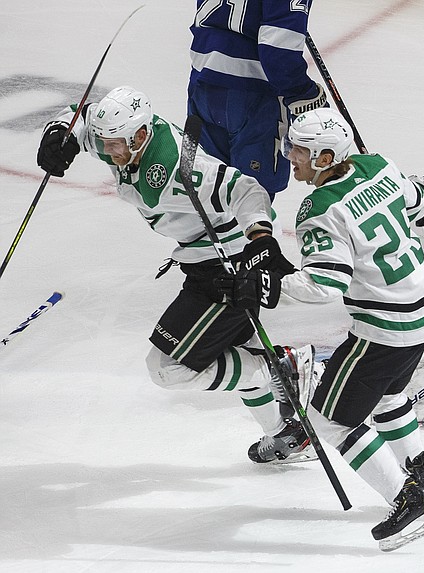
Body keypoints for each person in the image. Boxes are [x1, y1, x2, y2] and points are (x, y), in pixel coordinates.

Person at [35, 85, 312, 464]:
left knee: (167, 368)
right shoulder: (121, 135)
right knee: (238, 351)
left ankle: (280, 366)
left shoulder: (181, 171)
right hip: (199, 260)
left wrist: (260, 239)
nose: (109, 152)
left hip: (225, 266)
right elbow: (78, 115)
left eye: (116, 144)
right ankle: (285, 433)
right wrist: (57, 135)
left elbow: (246, 190)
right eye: (105, 143)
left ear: (142, 135)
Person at [255, 107, 424, 547]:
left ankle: (410, 500)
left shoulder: (319, 207)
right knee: (389, 396)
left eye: (301, 151)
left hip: (386, 326)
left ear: (326, 158)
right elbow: (418, 199)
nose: (292, 157)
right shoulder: (378, 164)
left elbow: (325, 284)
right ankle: (418, 475)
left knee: (328, 422)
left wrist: (269, 287)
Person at [188, 0, 327, 200]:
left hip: (202, 86)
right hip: (253, 98)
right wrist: (305, 94)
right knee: (252, 201)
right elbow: (279, 54)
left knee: (211, 195)